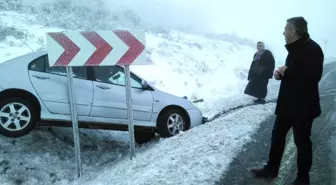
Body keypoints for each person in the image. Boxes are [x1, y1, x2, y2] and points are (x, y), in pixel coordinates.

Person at [251, 17, 324, 185]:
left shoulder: (313, 49)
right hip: (287, 104)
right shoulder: (295, 49)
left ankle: (302, 179)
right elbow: (295, 73)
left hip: (304, 107)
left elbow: (312, 77)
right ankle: (271, 169)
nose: (283, 32)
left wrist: (288, 72)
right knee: (277, 136)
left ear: (293, 31)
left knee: (302, 142)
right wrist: (281, 75)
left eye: (285, 29)